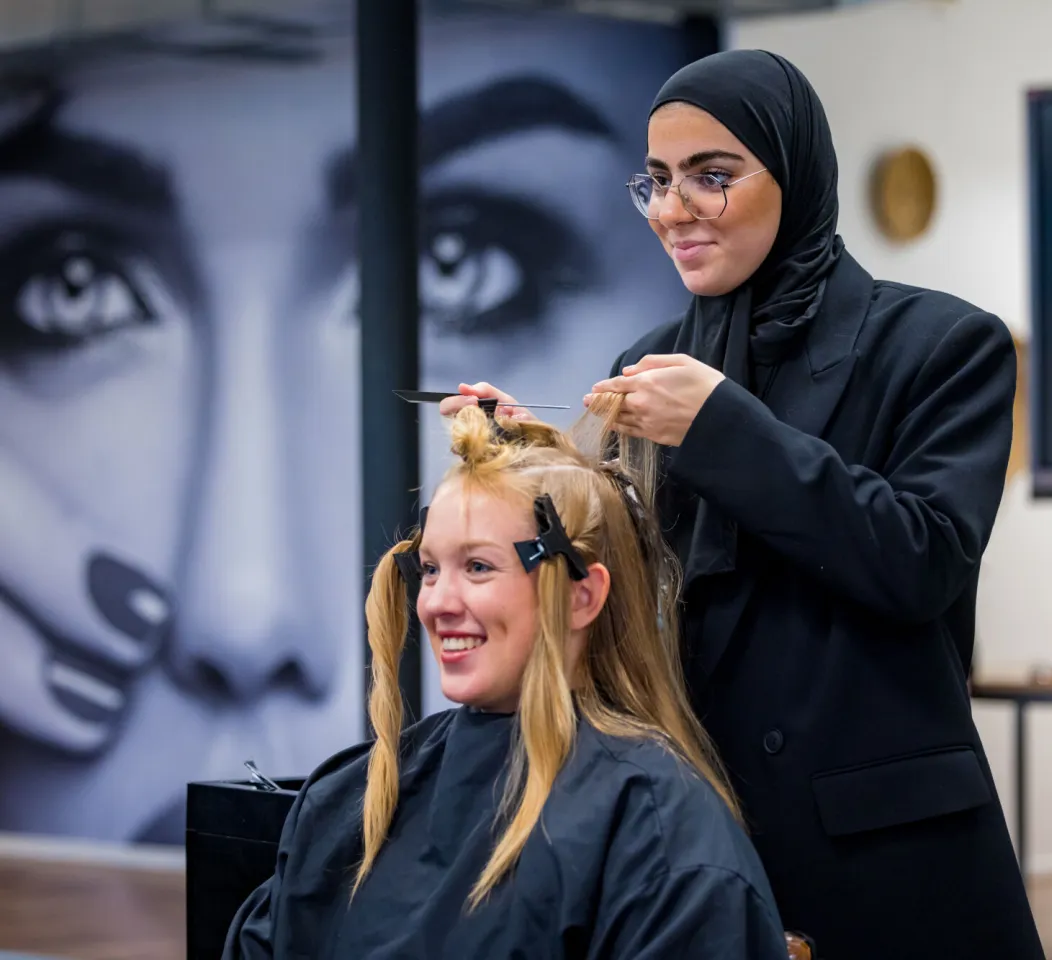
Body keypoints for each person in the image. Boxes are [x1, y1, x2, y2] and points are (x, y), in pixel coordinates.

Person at [0, 5, 704, 844]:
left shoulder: (664, 847)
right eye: (76, 286)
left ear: (588, 588)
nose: (242, 615)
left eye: (461, 264)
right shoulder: (344, 826)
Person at [444, 49, 1045, 959]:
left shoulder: (942, 345)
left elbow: (920, 561)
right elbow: (621, 571)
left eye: (711, 178)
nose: (671, 211)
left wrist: (725, 427)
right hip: (697, 832)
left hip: (885, 855)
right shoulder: (647, 363)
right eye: (654, 182)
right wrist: (532, 456)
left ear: (794, 174)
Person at [224, 400, 790, 959]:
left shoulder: (656, 833)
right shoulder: (346, 802)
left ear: (581, 595)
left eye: (477, 567)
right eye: (429, 569)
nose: (438, 603)